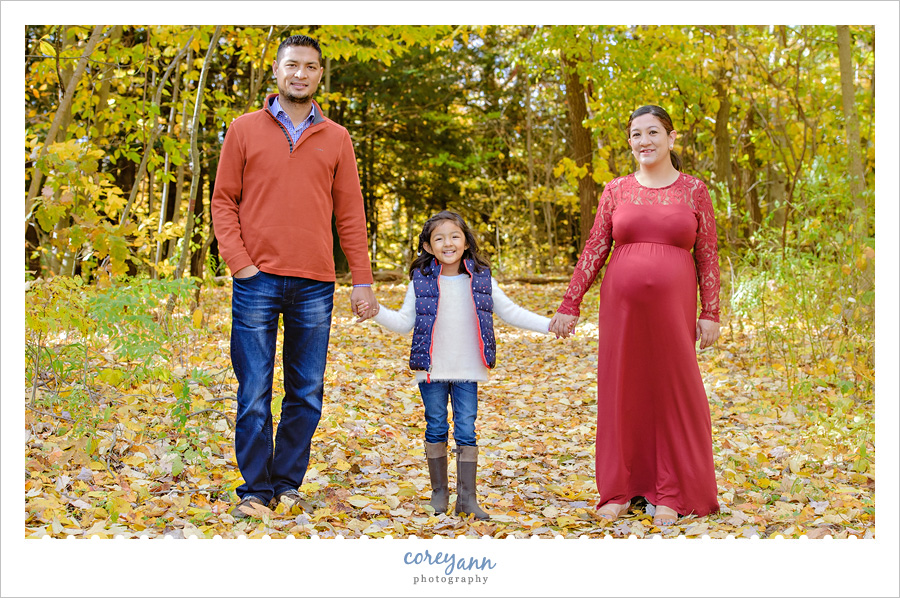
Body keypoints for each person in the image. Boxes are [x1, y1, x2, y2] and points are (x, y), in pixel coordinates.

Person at [211, 34, 378, 518]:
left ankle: (286, 484)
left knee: (305, 392)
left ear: (320, 74)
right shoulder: (243, 129)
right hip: (255, 279)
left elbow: (350, 213)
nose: (300, 74)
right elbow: (224, 200)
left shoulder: (337, 138)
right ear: (278, 72)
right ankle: (254, 491)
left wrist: (361, 279)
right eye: (292, 66)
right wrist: (239, 262)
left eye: (310, 66)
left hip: (314, 282)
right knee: (254, 391)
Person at [549, 105, 721, 527]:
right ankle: (621, 490)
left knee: (673, 392)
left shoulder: (694, 191)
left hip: (674, 309)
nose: (644, 142)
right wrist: (570, 304)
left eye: (652, 133)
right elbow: (594, 248)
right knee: (623, 390)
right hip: (621, 310)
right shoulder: (616, 190)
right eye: (636, 135)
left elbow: (708, 254)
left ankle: (673, 491)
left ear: (671, 138)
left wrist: (711, 311)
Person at [358, 211, 551, 520]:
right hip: (432, 368)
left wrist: (549, 325)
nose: (448, 243)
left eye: (454, 236)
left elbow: (511, 312)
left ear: (465, 240)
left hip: (467, 369)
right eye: (439, 238)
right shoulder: (420, 281)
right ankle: (439, 495)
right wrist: (376, 310)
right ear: (428, 246)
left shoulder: (481, 278)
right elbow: (404, 323)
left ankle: (467, 498)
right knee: (435, 425)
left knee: (466, 428)